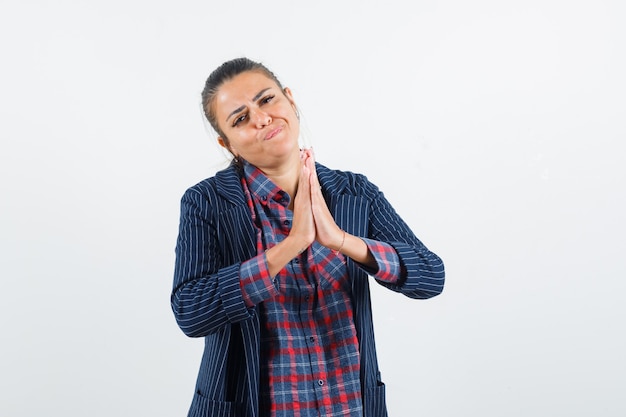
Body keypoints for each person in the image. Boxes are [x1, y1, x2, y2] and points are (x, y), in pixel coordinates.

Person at [171, 57, 445, 417]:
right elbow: (191, 312)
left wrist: (342, 241)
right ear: (228, 144)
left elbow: (430, 276)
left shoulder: (354, 193)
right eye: (240, 119)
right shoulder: (206, 202)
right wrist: (289, 247)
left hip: (351, 407)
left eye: (266, 100)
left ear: (289, 99)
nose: (261, 118)